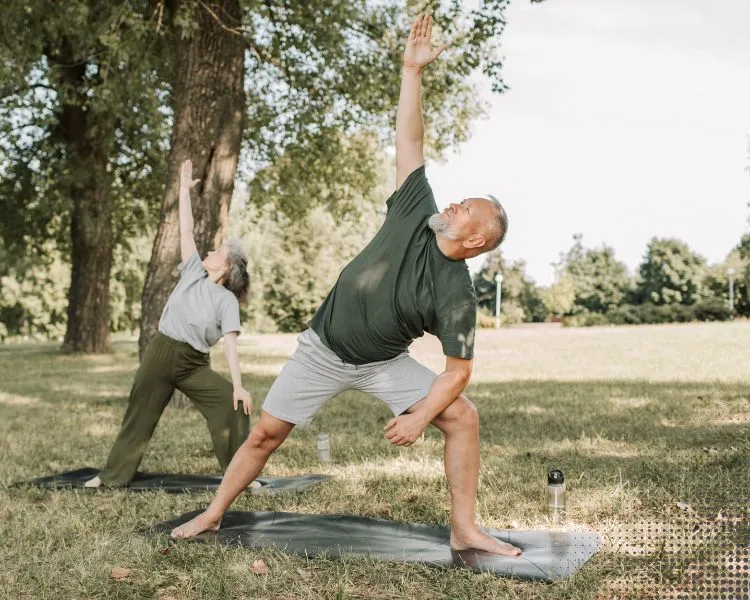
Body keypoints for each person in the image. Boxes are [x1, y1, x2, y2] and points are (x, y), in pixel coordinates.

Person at [171, 14, 519, 556]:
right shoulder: (416, 209)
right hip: (322, 348)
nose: (455, 203)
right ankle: (213, 514)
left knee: (462, 417)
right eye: (461, 198)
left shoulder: (456, 293)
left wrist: (421, 416)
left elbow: (459, 373)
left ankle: (465, 529)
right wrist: (411, 71)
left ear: (475, 240)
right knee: (265, 434)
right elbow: (410, 136)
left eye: (467, 208)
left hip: (381, 362)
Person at [85, 159, 253, 488]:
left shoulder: (226, 301)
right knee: (139, 414)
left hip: (193, 364)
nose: (209, 249)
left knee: (232, 404)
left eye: (217, 251)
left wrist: (238, 385)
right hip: (161, 353)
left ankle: (240, 478)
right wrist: (183, 189)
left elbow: (230, 346)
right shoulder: (192, 271)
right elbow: (186, 228)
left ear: (227, 267)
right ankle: (112, 477)